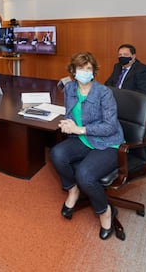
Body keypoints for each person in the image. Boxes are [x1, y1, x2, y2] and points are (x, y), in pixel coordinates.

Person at [50, 52, 124, 240]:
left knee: (85, 174)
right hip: (83, 138)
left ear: (94, 71)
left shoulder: (104, 93)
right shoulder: (69, 88)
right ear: (73, 71)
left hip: (108, 143)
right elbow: (71, 113)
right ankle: (72, 189)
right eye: (81, 68)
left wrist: (79, 129)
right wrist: (67, 124)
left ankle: (105, 211)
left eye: (88, 68)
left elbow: (110, 127)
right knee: (57, 154)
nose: (85, 72)